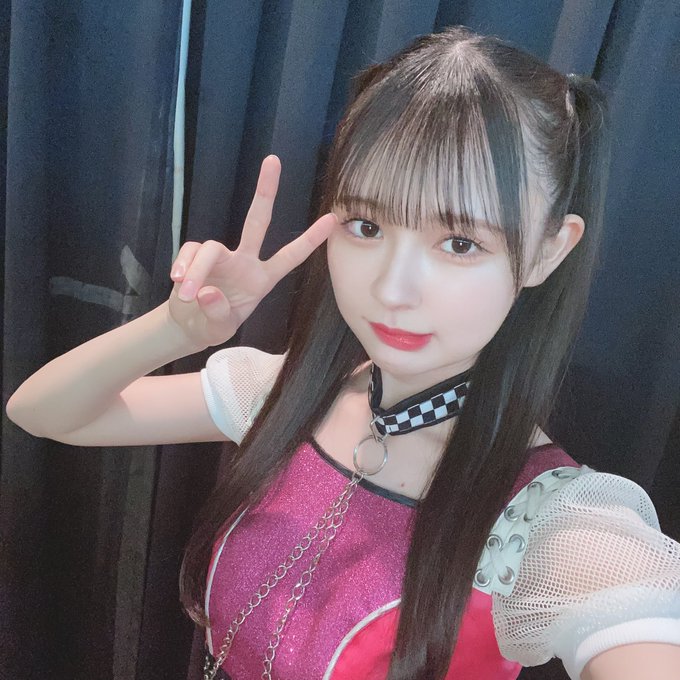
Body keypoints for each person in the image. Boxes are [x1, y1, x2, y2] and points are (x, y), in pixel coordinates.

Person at [6, 25, 680, 680]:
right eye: (366, 225)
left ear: (548, 251)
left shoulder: (552, 523)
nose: (391, 289)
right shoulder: (288, 394)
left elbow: (637, 627)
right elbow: (43, 412)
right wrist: (177, 332)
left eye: (460, 243)